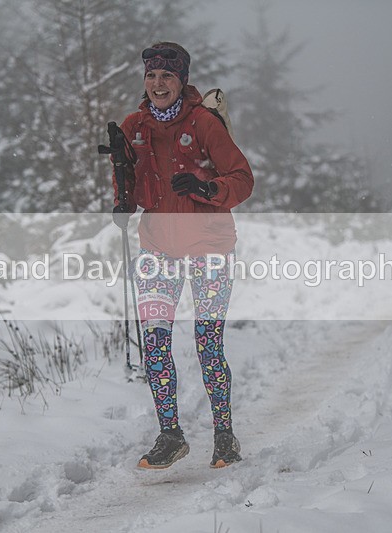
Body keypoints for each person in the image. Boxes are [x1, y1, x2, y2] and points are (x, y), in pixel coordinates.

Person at [111, 42, 254, 469]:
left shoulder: (205, 123)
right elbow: (131, 186)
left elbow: (243, 179)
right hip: (158, 247)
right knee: (154, 343)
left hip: (209, 246)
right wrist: (121, 200)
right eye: (152, 76)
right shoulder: (134, 125)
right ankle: (170, 435)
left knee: (208, 344)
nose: (158, 84)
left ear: (182, 80)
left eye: (167, 77)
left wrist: (209, 189)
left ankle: (225, 437)